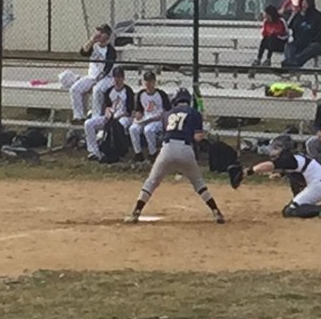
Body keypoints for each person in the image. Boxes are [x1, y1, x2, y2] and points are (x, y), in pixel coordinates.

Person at [126, 87, 226, 224]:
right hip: (185, 149)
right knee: (199, 183)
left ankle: (136, 212)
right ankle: (216, 211)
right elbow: (197, 137)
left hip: (167, 149)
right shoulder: (194, 113)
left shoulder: (168, 113)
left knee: (152, 181)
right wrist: (205, 133)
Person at [243, 134, 321, 218]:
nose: (273, 151)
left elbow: (270, 165)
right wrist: (280, 174)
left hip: (319, 186)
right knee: (292, 198)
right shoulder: (294, 158)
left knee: (289, 211)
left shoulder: (290, 159)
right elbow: (295, 169)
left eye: (277, 148)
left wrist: (250, 170)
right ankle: (304, 204)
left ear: (285, 149)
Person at [84, 67, 134, 161]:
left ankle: (119, 151)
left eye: (119, 77)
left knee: (120, 125)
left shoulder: (128, 91)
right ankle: (94, 151)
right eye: (115, 77)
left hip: (123, 117)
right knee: (88, 124)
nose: (117, 80)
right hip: (111, 116)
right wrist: (108, 114)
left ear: (123, 78)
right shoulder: (109, 91)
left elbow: (129, 111)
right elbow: (107, 106)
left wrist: (117, 117)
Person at [70, 24, 117, 122]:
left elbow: (107, 68)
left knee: (97, 90)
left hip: (106, 78)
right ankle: (79, 116)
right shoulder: (93, 46)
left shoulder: (111, 50)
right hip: (91, 76)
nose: (99, 34)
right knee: (75, 89)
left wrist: (99, 79)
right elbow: (83, 52)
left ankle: (95, 117)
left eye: (102, 32)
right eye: (98, 31)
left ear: (107, 36)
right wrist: (92, 40)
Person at [129, 70, 169, 162]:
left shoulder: (161, 94)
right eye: (146, 81)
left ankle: (153, 153)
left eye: (150, 81)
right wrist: (138, 115)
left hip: (157, 120)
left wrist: (161, 117)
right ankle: (138, 153)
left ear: (154, 82)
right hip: (145, 118)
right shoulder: (141, 94)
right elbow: (138, 110)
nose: (148, 83)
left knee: (148, 130)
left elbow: (167, 110)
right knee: (133, 129)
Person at [283, 0, 321, 68]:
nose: (304, 6)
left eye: (306, 4)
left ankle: (295, 62)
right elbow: (290, 28)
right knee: (288, 46)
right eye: (303, 4)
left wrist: (313, 40)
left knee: (312, 48)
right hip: (300, 43)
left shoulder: (319, 16)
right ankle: (290, 62)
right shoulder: (297, 16)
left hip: (315, 43)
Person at [251, 4, 289, 69]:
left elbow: (286, 34)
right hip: (270, 43)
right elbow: (264, 33)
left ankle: (268, 59)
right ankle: (258, 59)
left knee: (272, 37)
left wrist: (276, 35)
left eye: (267, 15)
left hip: (281, 43)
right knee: (265, 39)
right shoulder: (266, 22)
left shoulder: (281, 21)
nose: (266, 17)